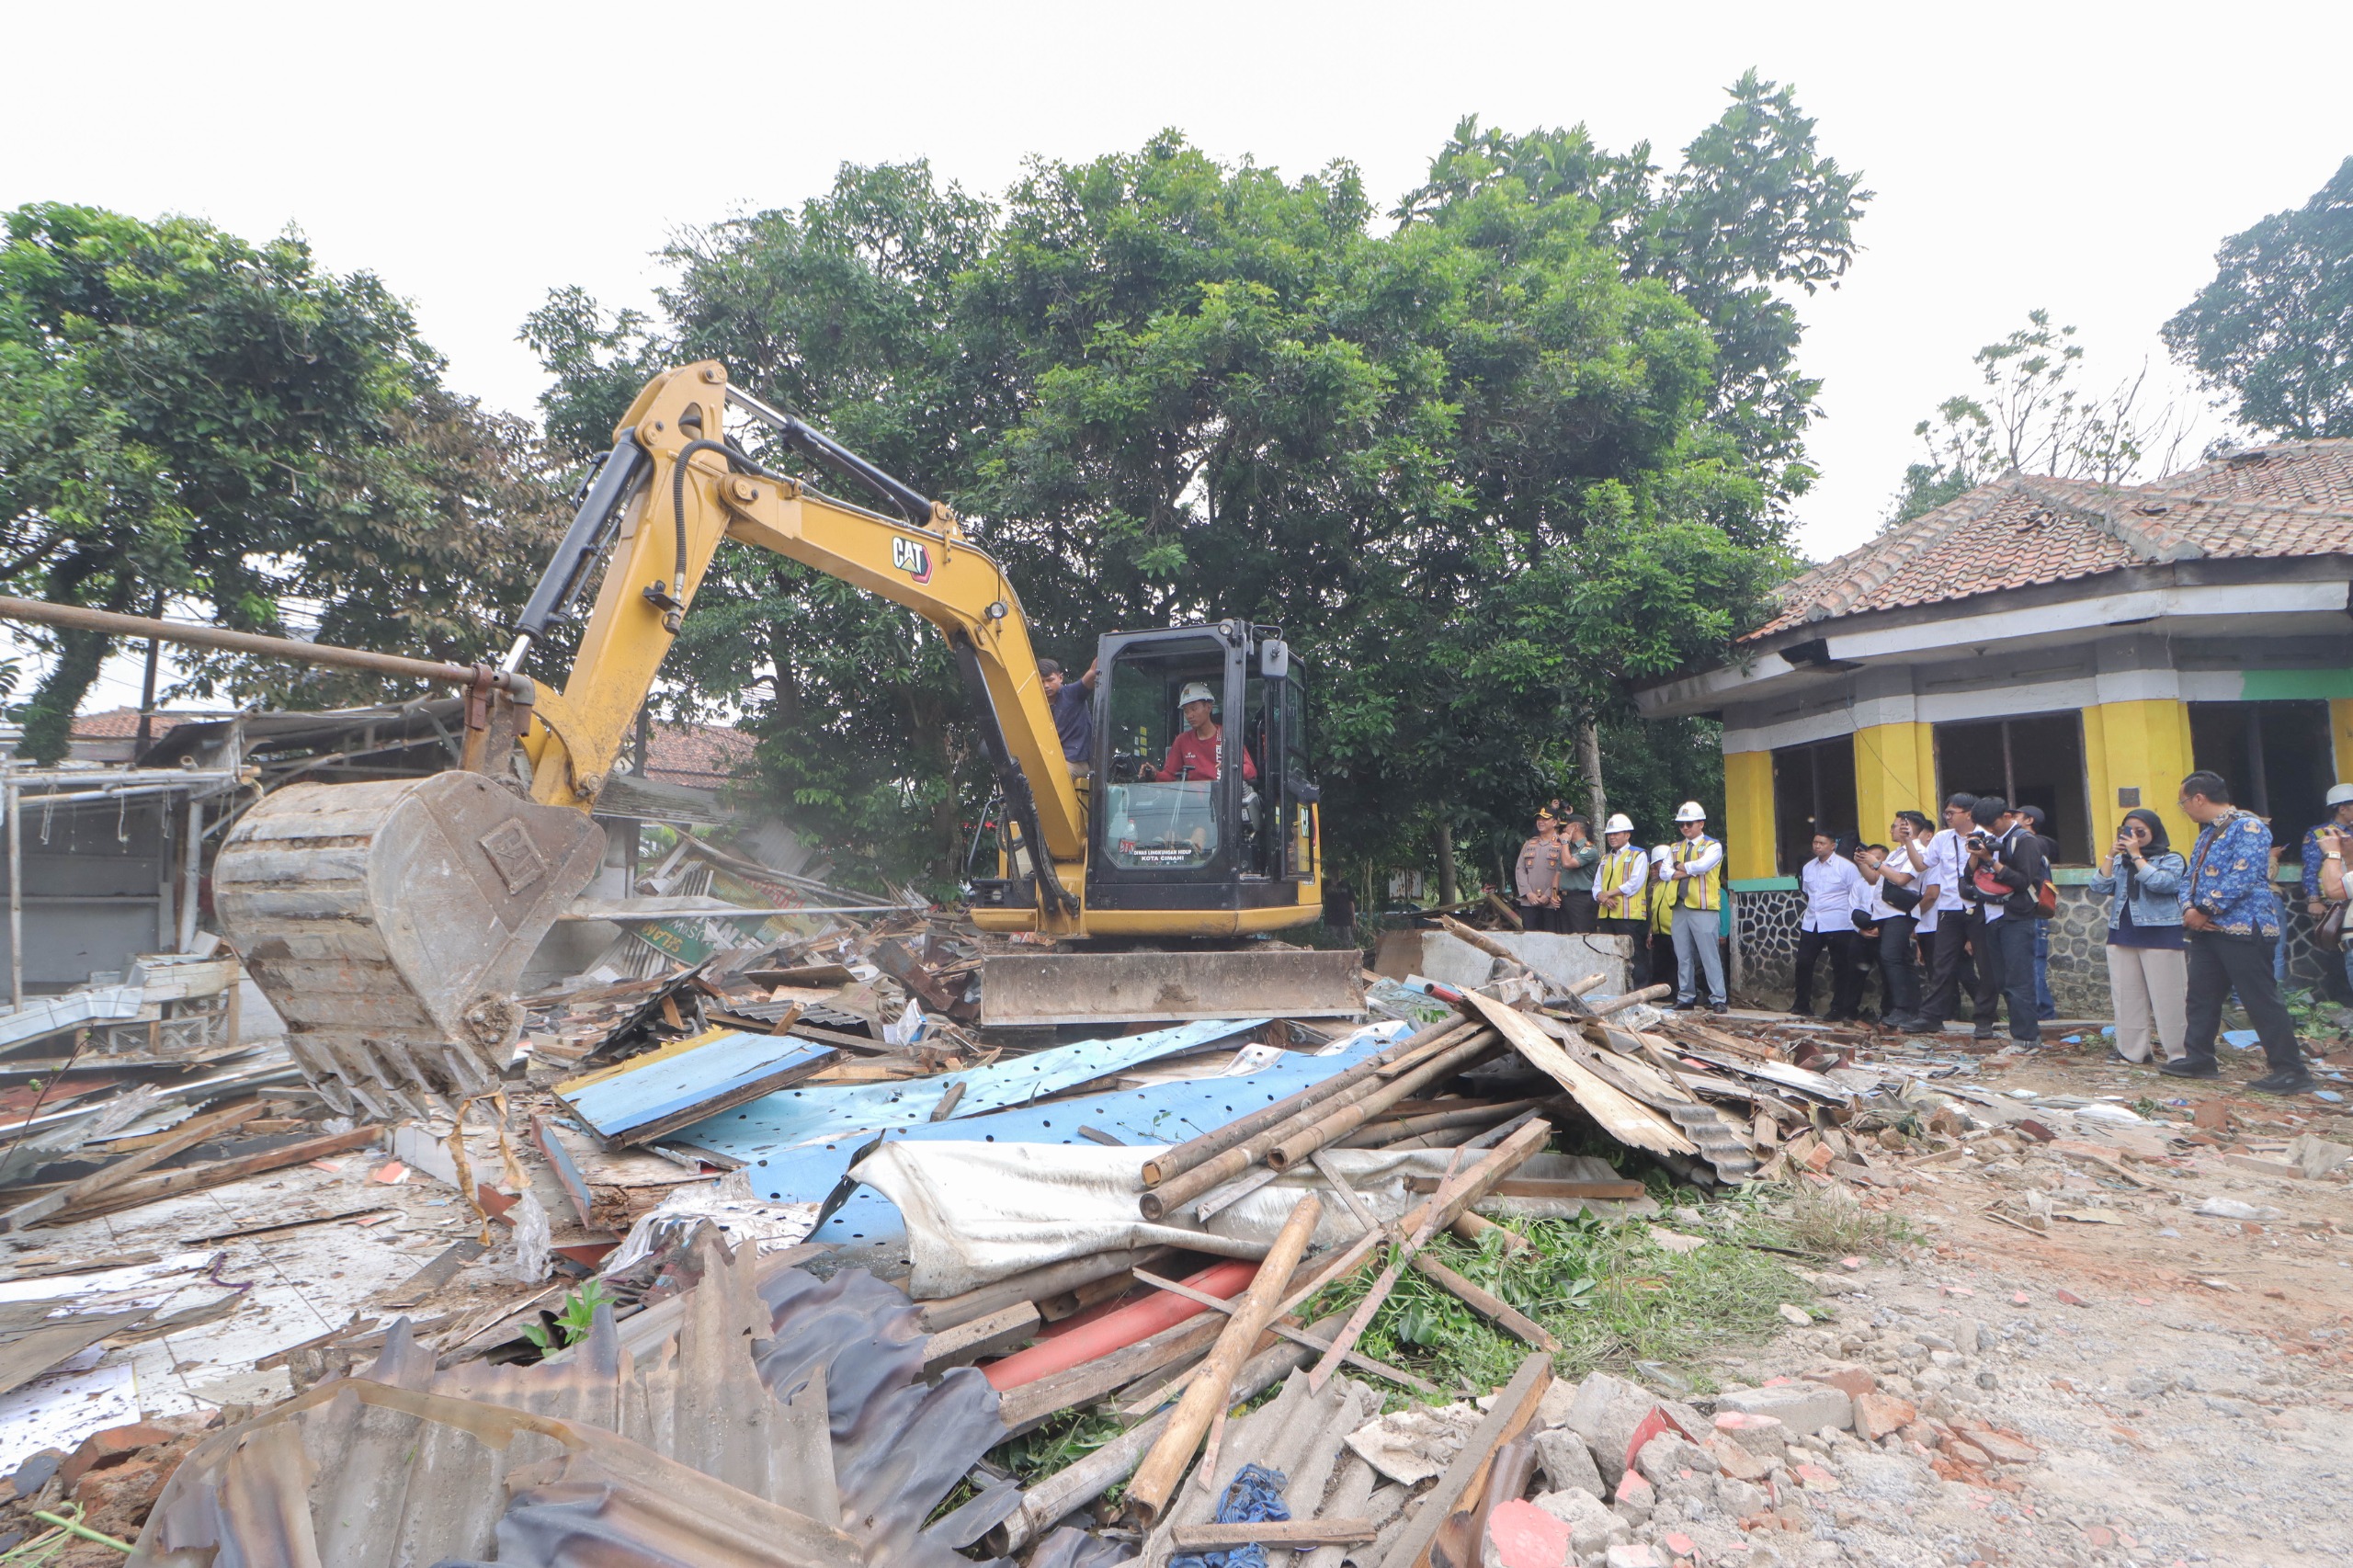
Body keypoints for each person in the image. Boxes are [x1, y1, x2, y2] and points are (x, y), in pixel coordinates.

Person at [2173, 771, 2313, 1093]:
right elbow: (2189, 879)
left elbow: (2244, 876)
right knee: (2201, 996)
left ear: (2199, 798)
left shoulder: (2248, 827)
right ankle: (2200, 1059)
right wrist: (2188, 910)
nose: (2184, 809)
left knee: (2259, 999)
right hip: (2208, 929)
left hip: (2244, 929)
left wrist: (2204, 909)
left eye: (2183, 802)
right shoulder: (2207, 834)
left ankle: (2291, 1070)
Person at [2086, 808, 2187, 1064]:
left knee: (2170, 997)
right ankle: (2132, 1052)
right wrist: (2112, 853)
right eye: (2128, 831)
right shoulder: (2121, 862)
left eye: (2140, 832)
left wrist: (2137, 855)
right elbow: (2098, 886)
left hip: (2161, 934)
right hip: (2123, 934)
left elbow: (2164, 884)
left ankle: (2180, 1054)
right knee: (2127, 996)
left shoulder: (2171, 859)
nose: (2134, 837)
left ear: (2154, 832)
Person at [1959, 794, 2048, 1049]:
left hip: (2016, 917)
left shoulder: (2025, 841)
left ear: (2007, 816)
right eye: (1984, 827)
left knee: (2019, 980)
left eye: (1992, 825)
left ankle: (2027, 1038)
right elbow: (1968, 876)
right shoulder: (1990, 839)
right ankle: (2018, 1035)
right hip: (1991, 916)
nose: (1989, 830)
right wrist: (1976, 855)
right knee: (2000, 979)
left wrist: (1990, 860)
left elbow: (2022, 881)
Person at [1914, 793, 1980, 1033]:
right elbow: (1922, 865)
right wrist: (1909, 842)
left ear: (1969, 814)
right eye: (1946, 813)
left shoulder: (1986, 835)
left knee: (1984, 964)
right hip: (1949, 908)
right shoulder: (1942, 838)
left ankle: (1985, 1018)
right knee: (1941, 964)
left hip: (1979, 908)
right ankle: (1931, 1016)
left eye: (1952, 813)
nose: (1947, 817)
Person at [1859, 820, 1926, 1028]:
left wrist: (1876, 862)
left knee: (1891, 957)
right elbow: (1873, 879)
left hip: (1901, 911)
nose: (1891, 829)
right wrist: (1862, 861)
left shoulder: (1918, 850)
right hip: (1885, 912)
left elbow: (1901, 879)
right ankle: (1910, 1008)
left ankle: (1903, 1008)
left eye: (1895, 825)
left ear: (1909, 827)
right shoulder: (1897, 852)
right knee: (1901, 959)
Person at [1663, 801, 1729, 1012]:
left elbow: (1703, 866)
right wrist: (1688, 870)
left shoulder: (1713, 845)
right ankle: (1686, 997)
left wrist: (1680, 868)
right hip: (1679, 906)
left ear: (1701, 823)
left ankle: (1718, 998)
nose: (1684, 828)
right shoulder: (1674, 847)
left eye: (1689, 823)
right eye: (1681, 824)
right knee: (1683, 954)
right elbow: (1664, 873)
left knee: (1709, 954)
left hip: (1703, 907)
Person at [1791, 831, 1866, 1020]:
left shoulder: (1846, 867)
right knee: (1803, 962)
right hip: (1812, 922)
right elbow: (1808, 893)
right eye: (1815, 842)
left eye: (1822, 843)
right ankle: (1801, 1004)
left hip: (1838, 923)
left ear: (1832, 846)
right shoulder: (1808, 867)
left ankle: (1839, 1008)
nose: (1817, 846)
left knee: (1840, 966)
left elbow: (1856, 893)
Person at [1150, 680, 1255, 783]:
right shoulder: (1182, 741)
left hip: (1222, 797)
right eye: (1186, 711)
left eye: (1194, 709)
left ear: (1208, 707)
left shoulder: (1227, 736)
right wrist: (1154, 774)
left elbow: (1250, 770)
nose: (1190, 715)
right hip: (1192, 799)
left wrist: (1231, 769)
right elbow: (1169, 776)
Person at [1592, 812, 1651, 990]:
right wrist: (1601, 896)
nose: (1612, 837)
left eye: (1616, 833)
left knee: (1635, 955)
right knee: (1609, 954)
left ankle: (1641, 993)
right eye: (1610, 834)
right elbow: (1596, 886)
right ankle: (1615, 991)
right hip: (1607, 914)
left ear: (1627, 835)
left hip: (1629, 915)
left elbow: (1634, 884)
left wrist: (1607, 894)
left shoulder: (1638, 855)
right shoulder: (1605, 859)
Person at [2018, 804, 2061, 1021]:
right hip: (2037, 913)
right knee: (2035, 962)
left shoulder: (2034, 843)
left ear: (2029, 821)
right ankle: (2045, 1013)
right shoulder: (2035, 843)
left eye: (2016, 815)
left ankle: (2036, 1015)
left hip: (2033, 911)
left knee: (2033, 962)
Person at [1039, 657, 1098, 770]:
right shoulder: (1037, 706)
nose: (1046, 685)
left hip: (1076, 763)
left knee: (1054, 777)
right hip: (1051, 764)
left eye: (1050, 680)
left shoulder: (1072, 694)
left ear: (1060, 678)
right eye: (1042, 681)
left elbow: (1093, 673)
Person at [1514, 807, 1566, 933]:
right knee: (1529, 938)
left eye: (1545, 819)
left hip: (1551, 902)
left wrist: (1549, 895)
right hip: (1529, 901)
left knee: (1550, 939)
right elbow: (1520, 869)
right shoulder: (1529, 844)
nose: (1540, 821)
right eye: (1539, 819)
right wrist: (1528, 893)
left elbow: (1563, 872)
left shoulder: (1562, 845)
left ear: (1554, 822)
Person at [1557, 811, 1601, 933]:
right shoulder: (1568, 849)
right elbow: (1558, 871)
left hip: (1581, 899)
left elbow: (1568, 864)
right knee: (1564, 938)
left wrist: (1565, 842)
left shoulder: (1589, 849)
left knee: (1582, 936)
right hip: (1564, 898)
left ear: (1575, 827)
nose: (1564, 830)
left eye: (1567, 826)